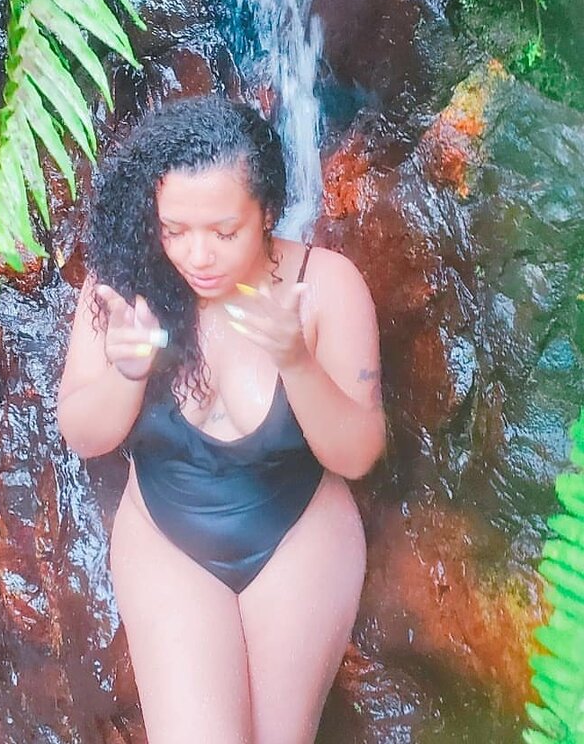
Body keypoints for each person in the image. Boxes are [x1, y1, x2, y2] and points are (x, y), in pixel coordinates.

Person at [58, 95, 385, 744]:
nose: (197, 256)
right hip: (167, 538)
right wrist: (126, 372)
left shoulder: (326, 286)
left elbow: (357, 455)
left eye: (223, 232)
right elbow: (83, 435)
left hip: (297, 531)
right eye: (175, 230)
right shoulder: (122, 283)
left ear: (267, 213)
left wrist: (295, 360)